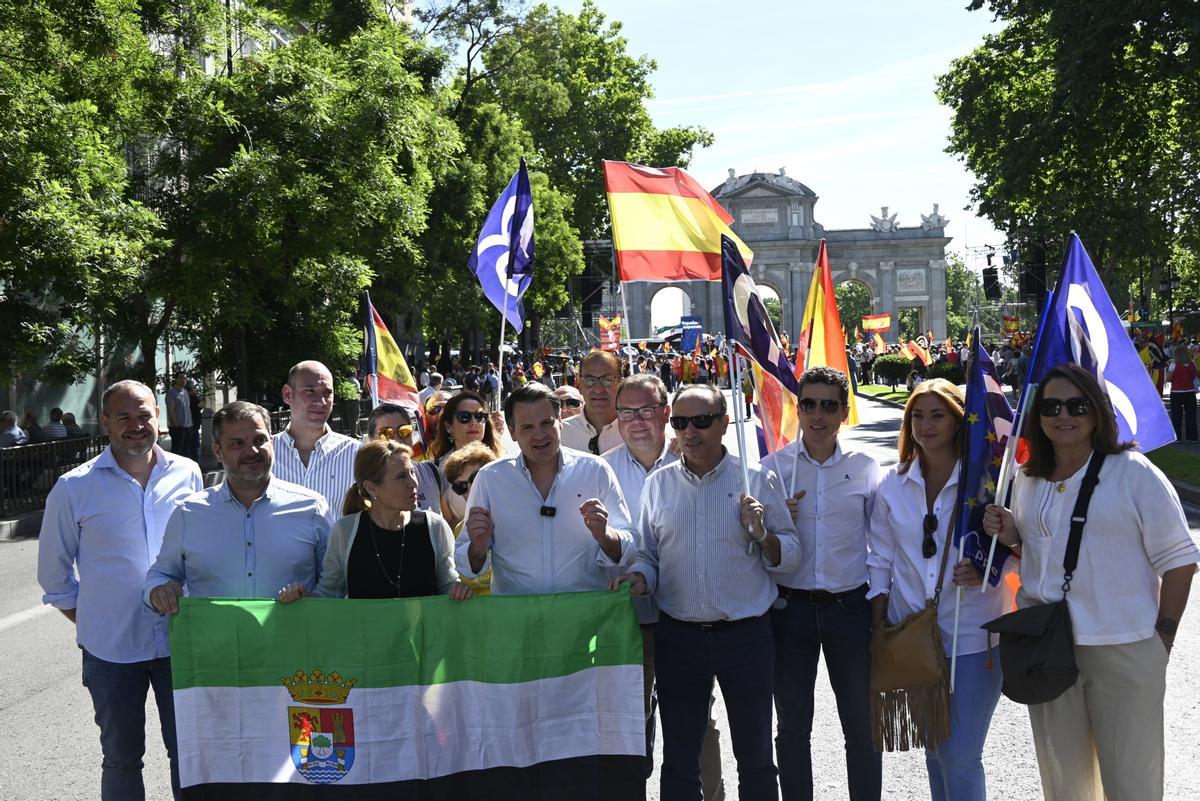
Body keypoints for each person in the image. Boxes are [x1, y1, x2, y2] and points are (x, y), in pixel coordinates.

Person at [983, 364, 1198, 801]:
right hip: (1048, 644)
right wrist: (1010, 534)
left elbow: (1180, 561)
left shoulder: (1134, 473)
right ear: (1038, 416)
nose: (1064, 415)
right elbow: (1043, 553)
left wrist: (1163, 640)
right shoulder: (1027, 479)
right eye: (1051, 406)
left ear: (1097, 412)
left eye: (1077, 405)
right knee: (1065, 783)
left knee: (1131, 782)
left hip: (1122, 646)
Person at [617, 383, 801, 801]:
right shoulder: (658, 485)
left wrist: (762, 534)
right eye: (681, 422)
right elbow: (647, 553)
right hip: (679, 637)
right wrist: (639, 577)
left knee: (754, 757)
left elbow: (790, 554)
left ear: (724, 423)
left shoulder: (756, 479)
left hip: (746, 637)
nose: (689, 431)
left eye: (701, 421)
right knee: (680, 761)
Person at [37, 380, 204, 800]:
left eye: (144, 415)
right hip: (110, 652)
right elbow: (54, 578)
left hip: (181, 643)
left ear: (158, 418)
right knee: (121, 759)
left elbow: (200, 553)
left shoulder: (187, 472)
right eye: (124, 417)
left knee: (190, 754)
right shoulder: (74, 487)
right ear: (106, 422)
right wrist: (96, 619)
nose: (136, 425)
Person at [866, 378, 1014, 801]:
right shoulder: (893, 483)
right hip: (911, 635)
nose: (926, 425)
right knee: (934, 750)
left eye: (938, 415)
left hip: (973, 636)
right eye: (918, 415)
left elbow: (1022, 545)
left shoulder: (987, 481)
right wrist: (879, 628)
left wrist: (988, 567)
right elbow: (880, 558)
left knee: (960, 755)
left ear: (959, 420)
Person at [759, 366, 883, 801]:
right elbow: (751, 545)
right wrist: (774, 522)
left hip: (849, 609)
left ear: (843, 412)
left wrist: (882, 610)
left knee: (862, 727)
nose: (816, 414)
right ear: (798, 408)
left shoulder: (866, 469)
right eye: (808, 403)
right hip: (788, 610)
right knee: (792, 727)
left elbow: (882, 545)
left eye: (828, 405)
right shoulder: (772, 469)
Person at [602, 375, 726, 801]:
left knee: (696, 723)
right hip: (622, 620)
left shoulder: (695, 459)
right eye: (627, 413)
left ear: (666, 413)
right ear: (616, 420)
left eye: (647, 410)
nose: (637, 421)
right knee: (627, 722)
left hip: (683, 616)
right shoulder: (600, 468)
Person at [145, 401, 330, 614]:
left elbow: (335, 580)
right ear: (217, 451)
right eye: (236, 444)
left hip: (291, 643)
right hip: (215, 644)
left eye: (260, 440)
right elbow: (161, 574)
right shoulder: (189, 514)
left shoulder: (312, 509)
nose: (251, 451)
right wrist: (159, 591)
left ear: (272, 442)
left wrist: (314, 600)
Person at [455, 382, 637, 595]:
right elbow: (466, 566)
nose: (539, 435)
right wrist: (478, 547)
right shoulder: (490, 478)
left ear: (560, 422)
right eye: (527, 427)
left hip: (584, 617)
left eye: (546, 423)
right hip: (519, 618)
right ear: (513, 432)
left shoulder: (595, 470)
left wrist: (605, 534)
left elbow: (629, 551)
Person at [277, 439, 472, 602]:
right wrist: (300, 598)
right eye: (401, 477)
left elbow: (447, 583)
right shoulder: (345, 531)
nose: (413, 483)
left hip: (423, 646)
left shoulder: (435, 526)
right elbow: (329, 593)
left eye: (412, 472)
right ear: (371, 488)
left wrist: (458, 589)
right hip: (364, 647)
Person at [271, 360, 359, 525]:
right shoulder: (265, 454)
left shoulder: (355, 453)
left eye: (327, 393)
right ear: (288, 394)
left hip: (337, 551)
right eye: (310, 391)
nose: (321, 401)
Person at [426, 390, 502, 526]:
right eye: (465, 417)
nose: (474, 422)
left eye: (480, 416)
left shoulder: (503, 464)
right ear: (449, 426)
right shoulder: (433, 471)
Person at [442, 441, 501, 594]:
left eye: (476, 479)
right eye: (460, 486)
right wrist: (459, 589)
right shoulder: (460, 529)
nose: (471, 489)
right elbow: (458, 579)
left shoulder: (517, 514)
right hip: (482, 616)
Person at [365, 402, 444, 514]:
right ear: (371, 439)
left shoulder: (431, 471)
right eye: (385, 433)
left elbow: (449, 520)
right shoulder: (366, 485)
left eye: (404, 431)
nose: (396, 438)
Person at [561, 350, 624, 455]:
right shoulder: (560, 434)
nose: (598, 389)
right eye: (590, 380)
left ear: (620, 384)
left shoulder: (635, 431)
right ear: (579, 385)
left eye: (607, 380)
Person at [1167, 344, 1198, 442]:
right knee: (1191, 416)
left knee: (1176, 416)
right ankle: (1193, 437)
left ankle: (1178, 437)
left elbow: (1168, 379)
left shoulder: (1173, 364)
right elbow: (1194, 377)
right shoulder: (1192, 363)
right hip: (1190, 392)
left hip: (1176, 392)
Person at [165, 371, 193, 459]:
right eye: (181, 378)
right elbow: (170, 409)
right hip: (178, 428)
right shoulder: (171, 392)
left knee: (187, 452)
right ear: (176, 379)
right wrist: (176, 425)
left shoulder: (185, 392)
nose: (183, 380)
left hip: (188, 427)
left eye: (185, 378)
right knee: (177, 453)